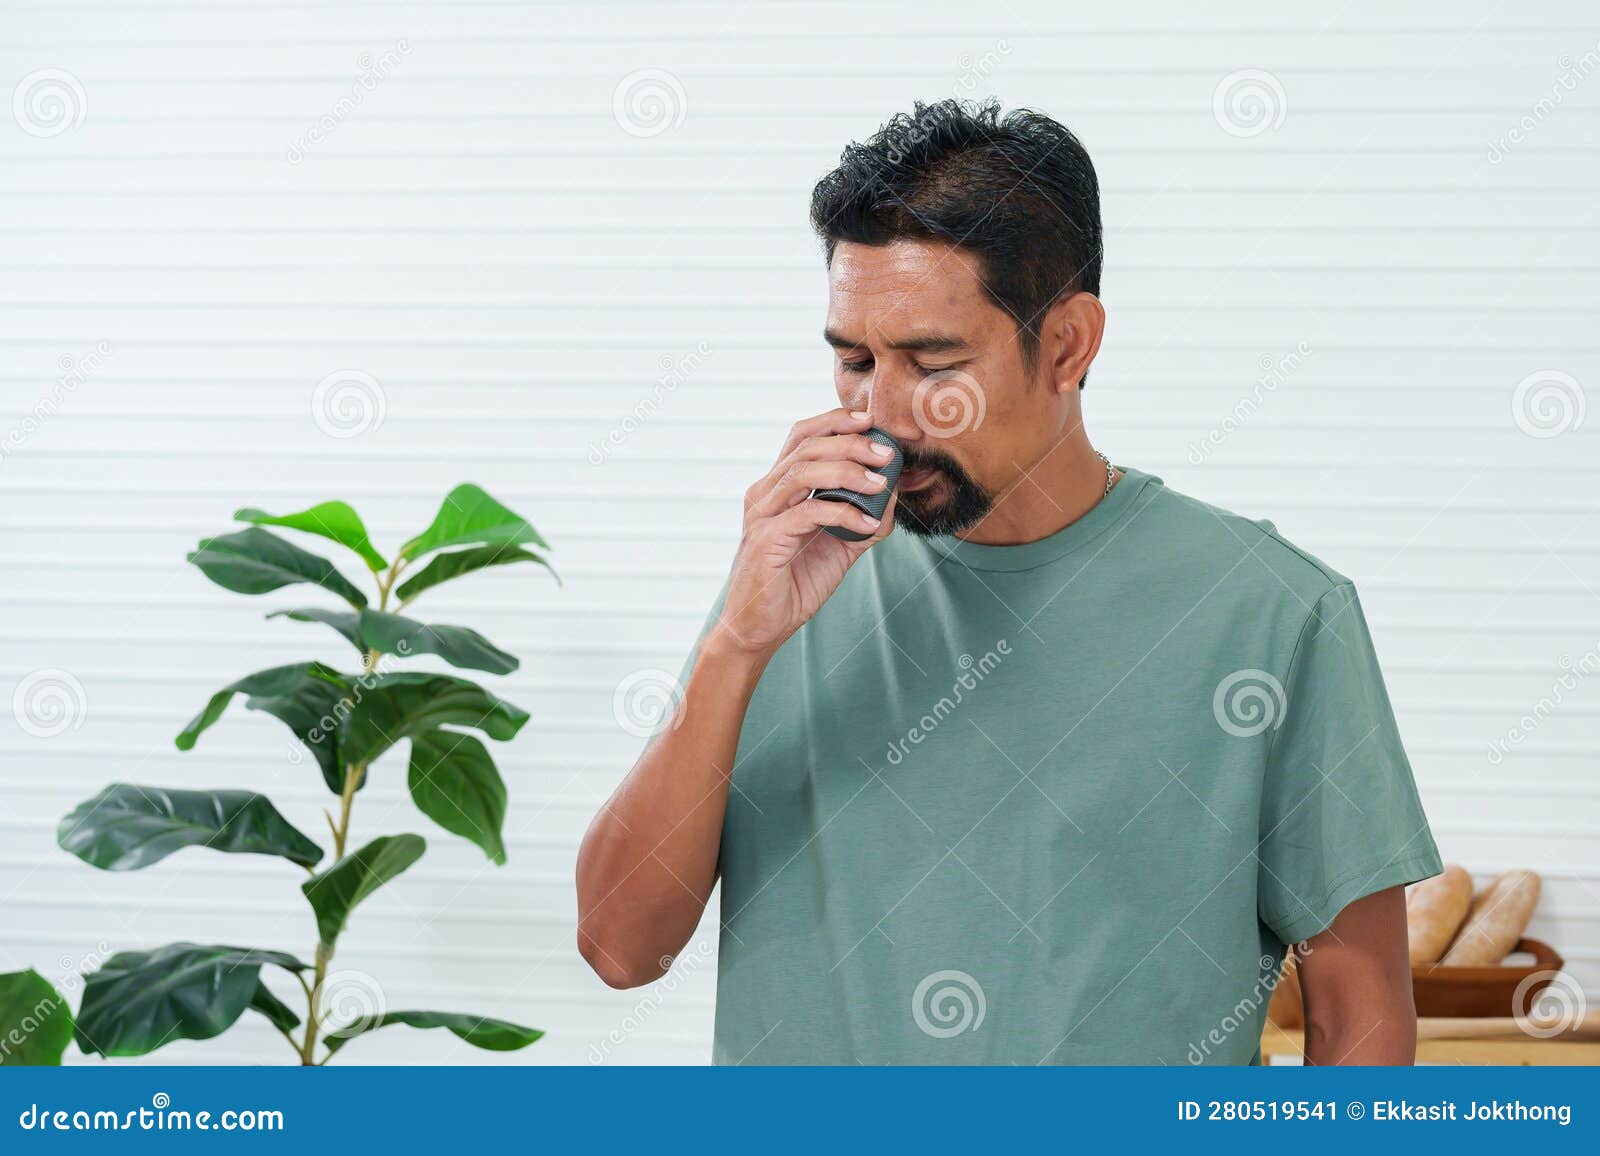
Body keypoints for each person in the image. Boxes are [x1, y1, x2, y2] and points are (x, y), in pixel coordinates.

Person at [576, 98, 1440, 1064]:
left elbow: (1358, 1023)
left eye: (932, 361)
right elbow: (620, 948)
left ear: (1068, 344)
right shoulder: (791, 583)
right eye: (854, 361)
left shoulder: (1272, 614)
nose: (881, 414)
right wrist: (735, 645)